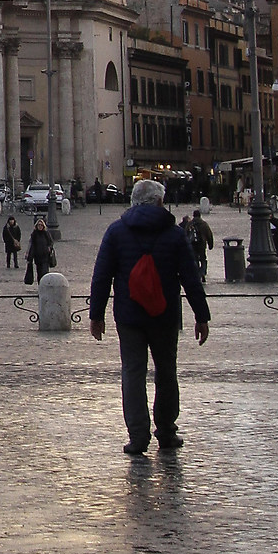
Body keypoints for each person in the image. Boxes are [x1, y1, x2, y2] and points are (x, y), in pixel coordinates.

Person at [89, 177, 211, 457]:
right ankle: (166, 432)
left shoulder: (116, 231)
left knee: (133, 373)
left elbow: (101, 277)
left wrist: (96, 315)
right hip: (165, 314)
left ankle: (138, 437)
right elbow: (191, 279)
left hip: (129, 316)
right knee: (166, 373)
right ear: (158, 202)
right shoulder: (174, 234)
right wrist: (201, 316)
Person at [187, 202, 214, 284]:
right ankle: (202, 273)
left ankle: (196, 274)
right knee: (203, 259)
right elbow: (209, 235)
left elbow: (185, 235)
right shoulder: (204, 224)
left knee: (194, 259)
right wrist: (210, 245)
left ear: (193, 215)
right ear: (200, 215)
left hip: (192, 245)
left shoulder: (189, 224)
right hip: (202, 245)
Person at [24, 213, 55, 284]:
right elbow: (31, 245)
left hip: (45, 256)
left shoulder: (46, 234)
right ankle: (40, 285)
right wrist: (29, 255)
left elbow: (51, 242)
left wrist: (49, 248)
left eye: (41, 225)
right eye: (39, 225)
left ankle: (45, 285)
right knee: (39, 272)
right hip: (37, 257)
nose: (40, 226)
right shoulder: (34, 234)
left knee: (45, 272)